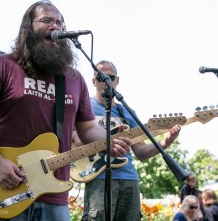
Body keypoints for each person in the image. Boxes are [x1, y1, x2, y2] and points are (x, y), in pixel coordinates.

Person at [0, 0, 133, 221]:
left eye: (60, 22)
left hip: (54, 196)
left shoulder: (74, 79)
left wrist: (110, 140)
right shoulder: (2, 66)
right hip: (5, 189)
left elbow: (87, 128)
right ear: (28, 28)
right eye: (47, 20)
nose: (55, 26)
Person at [72, 60, 181, 221]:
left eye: (111, 77)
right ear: (94, 82)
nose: (106, 81)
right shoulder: (84, 106)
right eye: (101, 77)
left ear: (117, 80)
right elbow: (68, 136)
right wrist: (75, 136)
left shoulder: (128, 112)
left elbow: (141, 152)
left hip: (129, 178)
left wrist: (166, 142)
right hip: (97, 177)